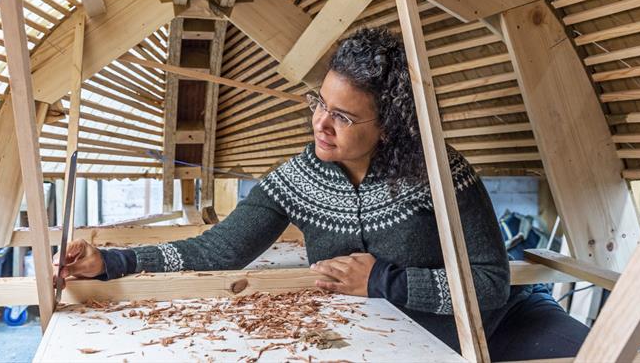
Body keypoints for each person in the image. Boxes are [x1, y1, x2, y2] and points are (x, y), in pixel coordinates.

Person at [54, 27, 589, 360]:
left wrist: (382, 279)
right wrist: (113, 262)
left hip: (499, 327)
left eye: (343, 115)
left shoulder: (442, 174)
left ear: (390, 125)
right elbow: (215, 250)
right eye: (319, 103)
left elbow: (491, 285)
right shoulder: (296, 180)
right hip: (398, 342)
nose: (320, 123)